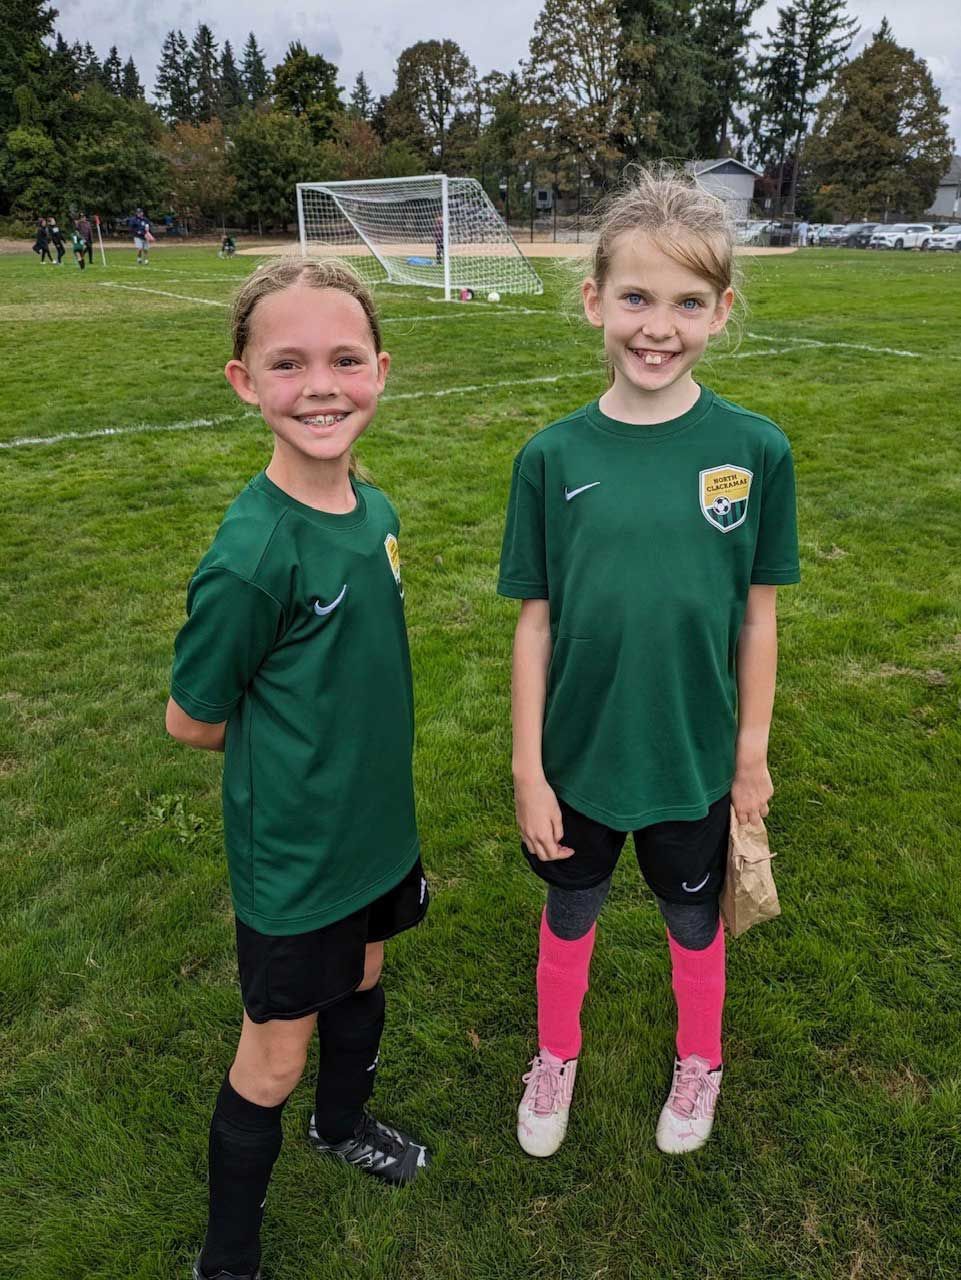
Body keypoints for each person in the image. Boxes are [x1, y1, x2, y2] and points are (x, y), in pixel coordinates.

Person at [497, 167, 800, 1161]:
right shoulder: (549, 457)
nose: (657, 327)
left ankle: (698, 1060)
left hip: (690, 755)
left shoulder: (754, 450)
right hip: (579, 756)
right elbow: (534, 625)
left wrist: (748, 752)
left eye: (685, 302)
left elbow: (756, 619)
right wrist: (528, 767)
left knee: (693, 916)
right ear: (594, 301)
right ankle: (555, 1054)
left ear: (720, 310)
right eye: (635, 297)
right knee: (570, 909)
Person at [166, 258, 430, 1280]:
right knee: (273, 1055)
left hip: (377, 828)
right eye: (288, 363)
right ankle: (227, 1260)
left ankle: (343, 1122)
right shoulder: (253, 556)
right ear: (245, 382)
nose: (321, 385)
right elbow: (192, 720)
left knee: (364, 974)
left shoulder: (376, 511)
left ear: (381, 371)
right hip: (295, 855)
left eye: (345, 359)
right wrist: (296, 757)